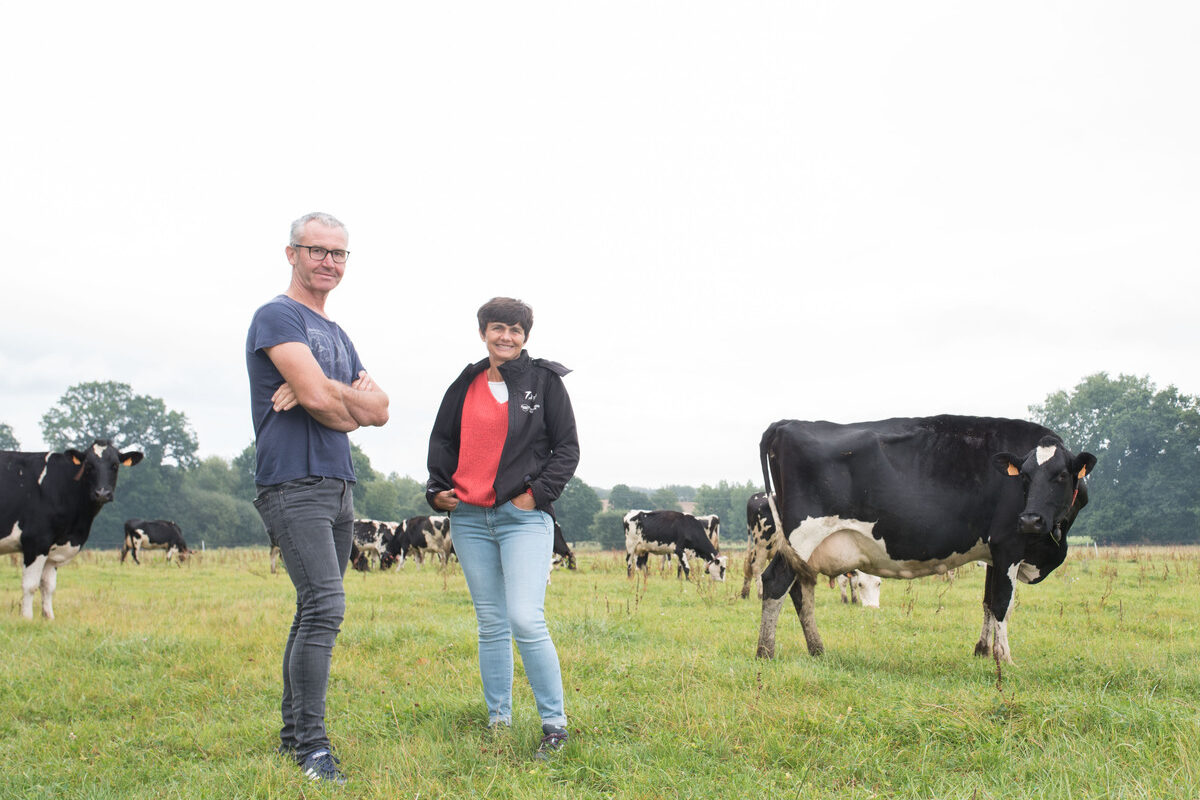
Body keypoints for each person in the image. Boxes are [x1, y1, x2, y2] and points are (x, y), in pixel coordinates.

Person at [246, 211, 389, 785]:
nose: (328, 261)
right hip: (293, 481)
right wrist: (336, 400)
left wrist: (324, 395)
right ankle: (312, 749)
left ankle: (291, 737)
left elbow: (378, 411)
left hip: (338, 482)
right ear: (292, 254)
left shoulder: (336, 333)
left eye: (338, 253)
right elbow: (337, 405)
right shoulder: (276, 316)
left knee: (312, 610)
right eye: (317, 251)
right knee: (327, 608)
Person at [426, 297, 580, 760]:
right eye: (497, 328)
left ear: (525, 336)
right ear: (483, 333)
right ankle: (499, 721)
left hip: (523, 518)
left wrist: (536, 495)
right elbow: (443, 441)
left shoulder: (545, 382)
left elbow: (567, 449)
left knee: (525, 618)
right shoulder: (465, 383)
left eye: (515, 329)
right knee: (491, 623)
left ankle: (555, 725)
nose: (506, 336)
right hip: (469, 519)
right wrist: (435, 490)